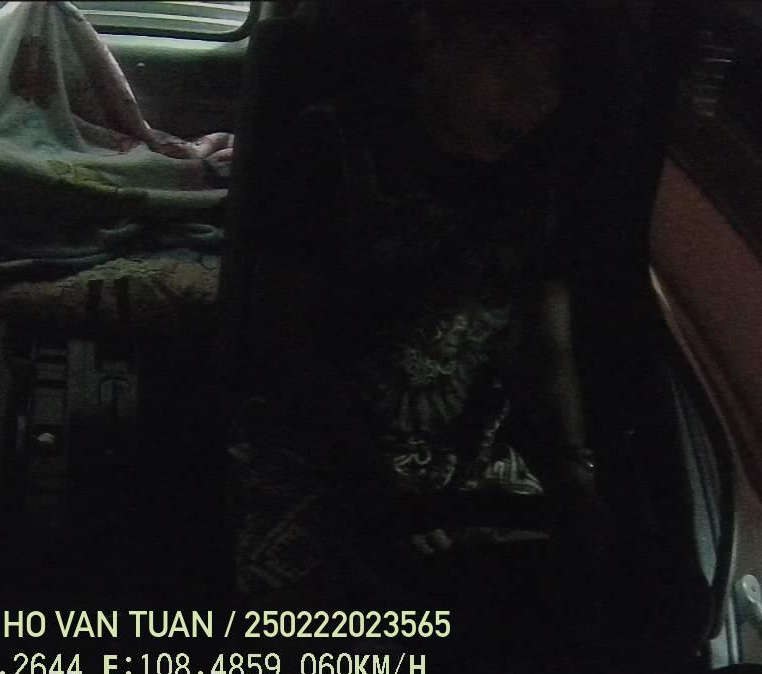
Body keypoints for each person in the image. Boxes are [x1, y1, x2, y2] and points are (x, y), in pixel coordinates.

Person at [230, 2, 609, 638]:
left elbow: (545, 340)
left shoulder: (539, 173)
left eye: (549, 78)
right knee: (308, 635)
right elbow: (283, 339)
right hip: (318, 438)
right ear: (431, 34)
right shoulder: (336, 144)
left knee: (540, 620)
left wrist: (573, 470)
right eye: (502, 63)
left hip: (469, 445)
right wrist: (375, 484)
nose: (528, 98)